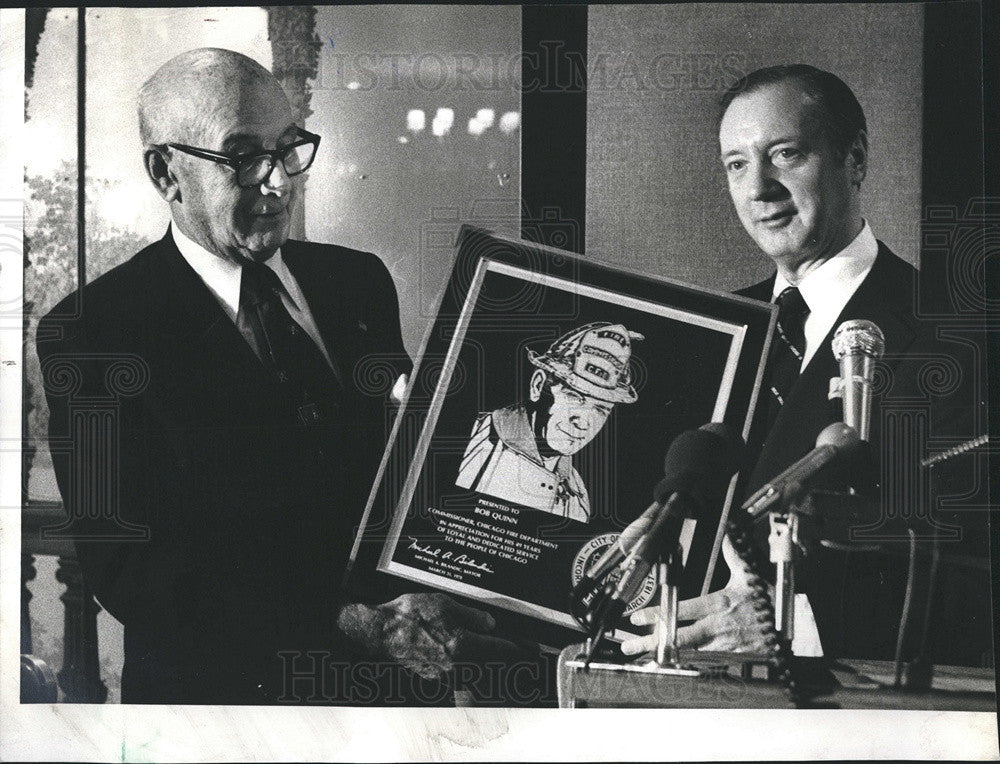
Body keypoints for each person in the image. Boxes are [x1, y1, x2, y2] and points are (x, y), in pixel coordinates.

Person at [36, 48, 517, 704]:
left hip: (390, 705)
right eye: (242, 155)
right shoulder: (94, 333)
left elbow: (403, 482)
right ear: (166, 173)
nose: (279, 181)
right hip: (226, 714)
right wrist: (354, 624)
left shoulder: (357, 282)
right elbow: (133, 575)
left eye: (288, 148)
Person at [623, 65, 991, 666]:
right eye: (737, 164)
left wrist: (794, 620)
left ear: (856, 159)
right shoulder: (707, 339)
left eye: (785, 155)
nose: (758, 188)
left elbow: (975, 567)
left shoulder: (960, 341)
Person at [456, 322, 642, 522]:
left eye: (600, 409)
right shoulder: (468, 441)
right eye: (573, 396)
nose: (583, 423)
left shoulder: (578, 496)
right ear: (537, 386)